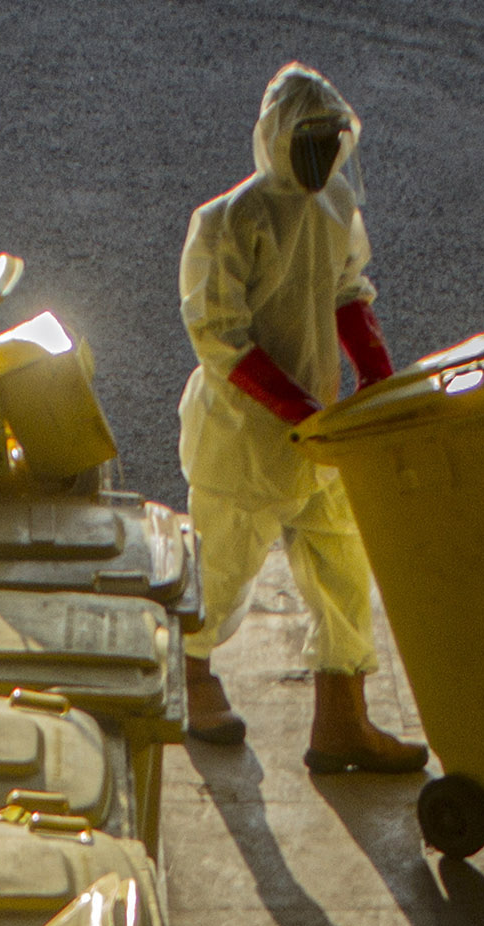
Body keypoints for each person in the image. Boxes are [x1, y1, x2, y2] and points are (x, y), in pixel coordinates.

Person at [176, 63, 426, 776]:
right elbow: (222, 336)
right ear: (275, 141)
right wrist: (301, 410)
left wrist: (377, 376)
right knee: (220, 577)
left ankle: (342, 720)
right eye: (306, 142)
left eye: (329, 141)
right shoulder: (226, 223)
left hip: (319, 440)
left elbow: (345, 289)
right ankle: (189, 681)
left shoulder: (334, 203)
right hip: (244, 441)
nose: (320, 158)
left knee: (344, 572)